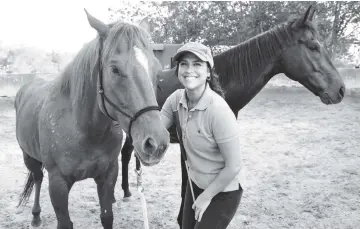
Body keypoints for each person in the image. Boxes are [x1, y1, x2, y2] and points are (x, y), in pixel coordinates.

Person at [160, 42, 243, 229]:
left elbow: (234, 166)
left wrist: (206, 197)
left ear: (208, 72)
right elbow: (157, 131)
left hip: (223, 190)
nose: (189, 69)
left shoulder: (218, 110)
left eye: (197, 64)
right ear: (178, 70)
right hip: (195, 183)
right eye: (184, 64)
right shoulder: (175, 100)